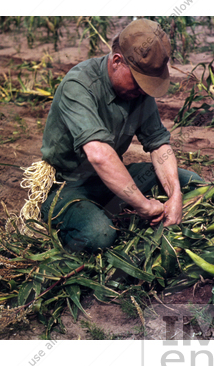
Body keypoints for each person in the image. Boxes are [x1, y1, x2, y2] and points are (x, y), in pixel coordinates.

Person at [39, 18, 202, 253]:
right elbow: (100, 155)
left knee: (193, 183)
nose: (143, 91)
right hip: (68, 185)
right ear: (117, 61)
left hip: (112, 180)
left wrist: (175, 195)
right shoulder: (79, 85)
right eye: (139, 82)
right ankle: (68, 222)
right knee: (100, 235)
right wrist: (144, 206)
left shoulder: (139, 93)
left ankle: (113, 210)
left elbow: (159, 146)